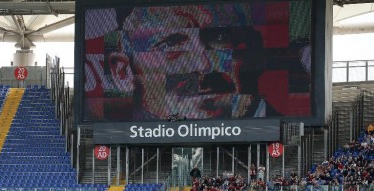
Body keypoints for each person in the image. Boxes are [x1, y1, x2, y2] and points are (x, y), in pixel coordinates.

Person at [83, 3, 310, 121]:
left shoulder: (279, 121)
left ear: (254, 55)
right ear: (122, 71)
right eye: (170, 44)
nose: (203, 65)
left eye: (221, 40)